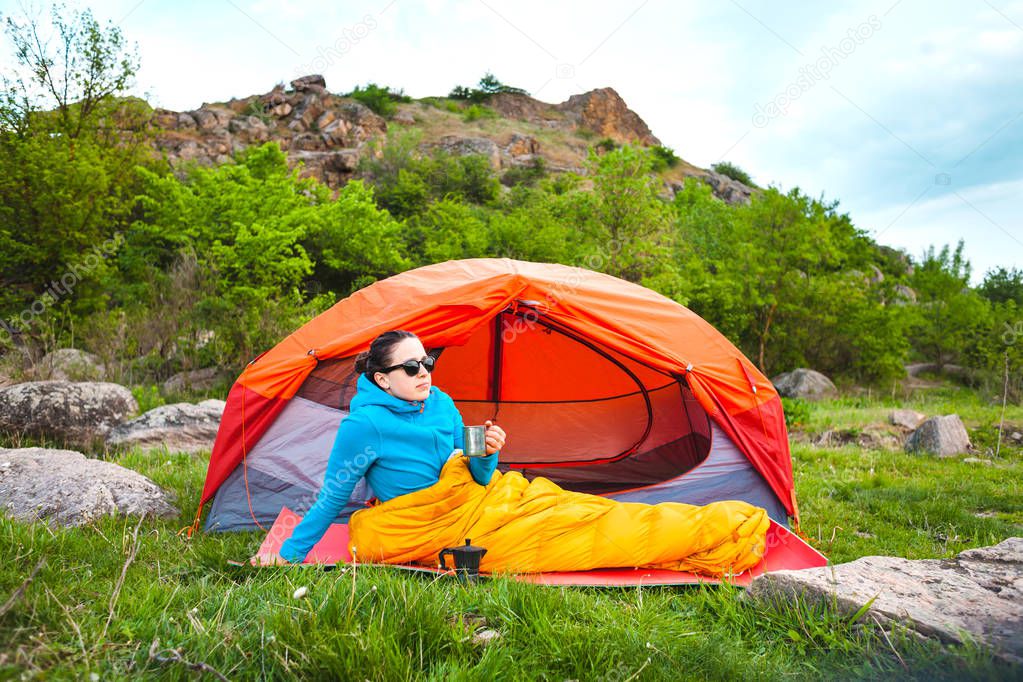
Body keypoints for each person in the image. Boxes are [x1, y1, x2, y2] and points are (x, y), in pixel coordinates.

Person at [253, 330, 506, 565]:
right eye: (410, 367)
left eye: (427, 363)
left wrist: (487, 453)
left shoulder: (442, 403)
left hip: (467, 506)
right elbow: (333, 495)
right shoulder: (365, 424)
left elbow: (479, 477)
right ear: (382, 379)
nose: (423, 373)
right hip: (416, 525)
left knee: (540, 513)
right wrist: (291, 553)